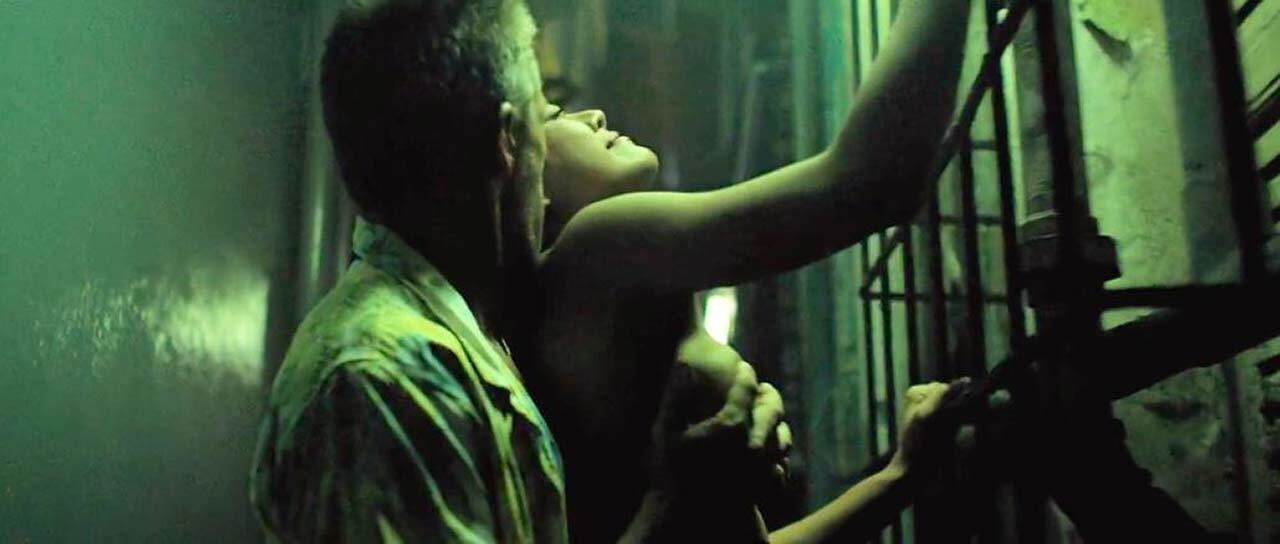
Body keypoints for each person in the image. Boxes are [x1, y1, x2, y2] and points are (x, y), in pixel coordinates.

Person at [248, 1, 785, 542]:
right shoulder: (381, 377)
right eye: (543, 117)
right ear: (508, 140)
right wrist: (674, 507)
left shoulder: (473, 347)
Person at [516, 0, 974, 541]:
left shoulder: (587, 305)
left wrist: (902, 475)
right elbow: (870, 185)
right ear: (526, 176)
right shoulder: (600, 247)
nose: (591, 114)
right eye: (554, 115)